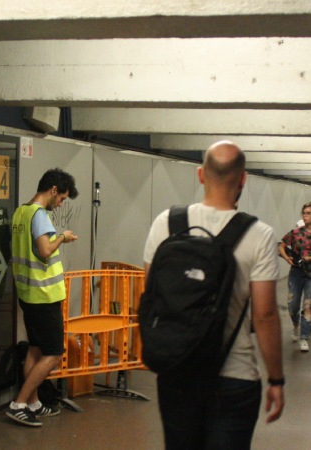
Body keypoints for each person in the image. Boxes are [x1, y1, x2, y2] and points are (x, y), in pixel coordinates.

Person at [143, 141, 284, 449]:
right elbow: (265, 315)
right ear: (243, 179)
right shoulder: (258, 234)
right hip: (235, 376)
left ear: (200, 175)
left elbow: (151, 294)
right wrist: (276, 379)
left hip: (177, 369)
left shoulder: (166, 224)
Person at [6, 168, 78, 427]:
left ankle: (34, 403)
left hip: (28, 293)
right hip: (44, 296)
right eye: (62, 199)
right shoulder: (40, 216)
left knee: (35, 351)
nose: (60, 204)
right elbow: (45, 250)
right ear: (53, 190)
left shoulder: (20, 212)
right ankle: (19, 403)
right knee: (54, 354)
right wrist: (63, 237)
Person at [278, 202, 311, 351]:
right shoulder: (296, 233)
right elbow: (281, 245)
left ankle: (304, 337)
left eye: (308, 213)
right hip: (296, 273)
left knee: (308, 305)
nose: (305, 216)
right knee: (293, 305)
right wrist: (286, 258)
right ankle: (296, 325)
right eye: (304, 213)